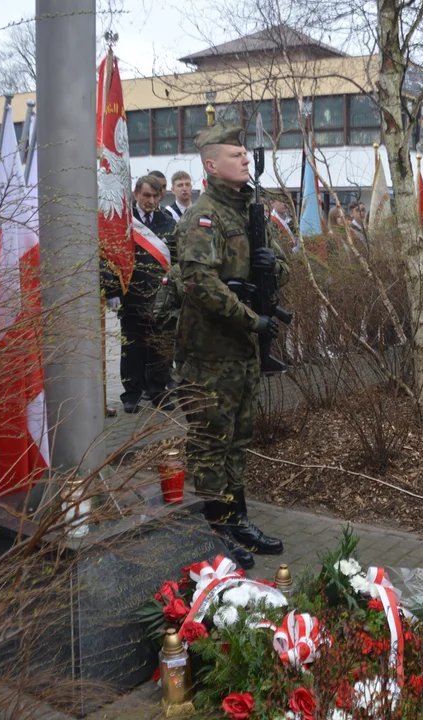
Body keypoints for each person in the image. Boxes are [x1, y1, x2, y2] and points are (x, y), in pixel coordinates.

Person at [173, 123, 290, 570]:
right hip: (210, 354)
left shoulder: (247, 212)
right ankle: (214, 532)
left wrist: (272, 266)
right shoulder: (203, 217)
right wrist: (251, 319)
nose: (245, 159)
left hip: (242, 352)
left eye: (245, 154)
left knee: (238, 439)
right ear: (211, 165)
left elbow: (281, 267)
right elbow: (199, 283)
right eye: (235, 154)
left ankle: (237, 519)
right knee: (210, 443)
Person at [120, 174, 178, 413]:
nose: (151, 200)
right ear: (136, 194)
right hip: (131, 295)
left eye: (156, 196)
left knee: (160, 346)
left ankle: (159, 392)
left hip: (161, 297)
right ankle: (131, 395)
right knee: (132, 347)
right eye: (146, 195)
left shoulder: (168, 222)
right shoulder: (124, 221)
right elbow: (112, 258)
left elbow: (177, 258)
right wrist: (113, 291)